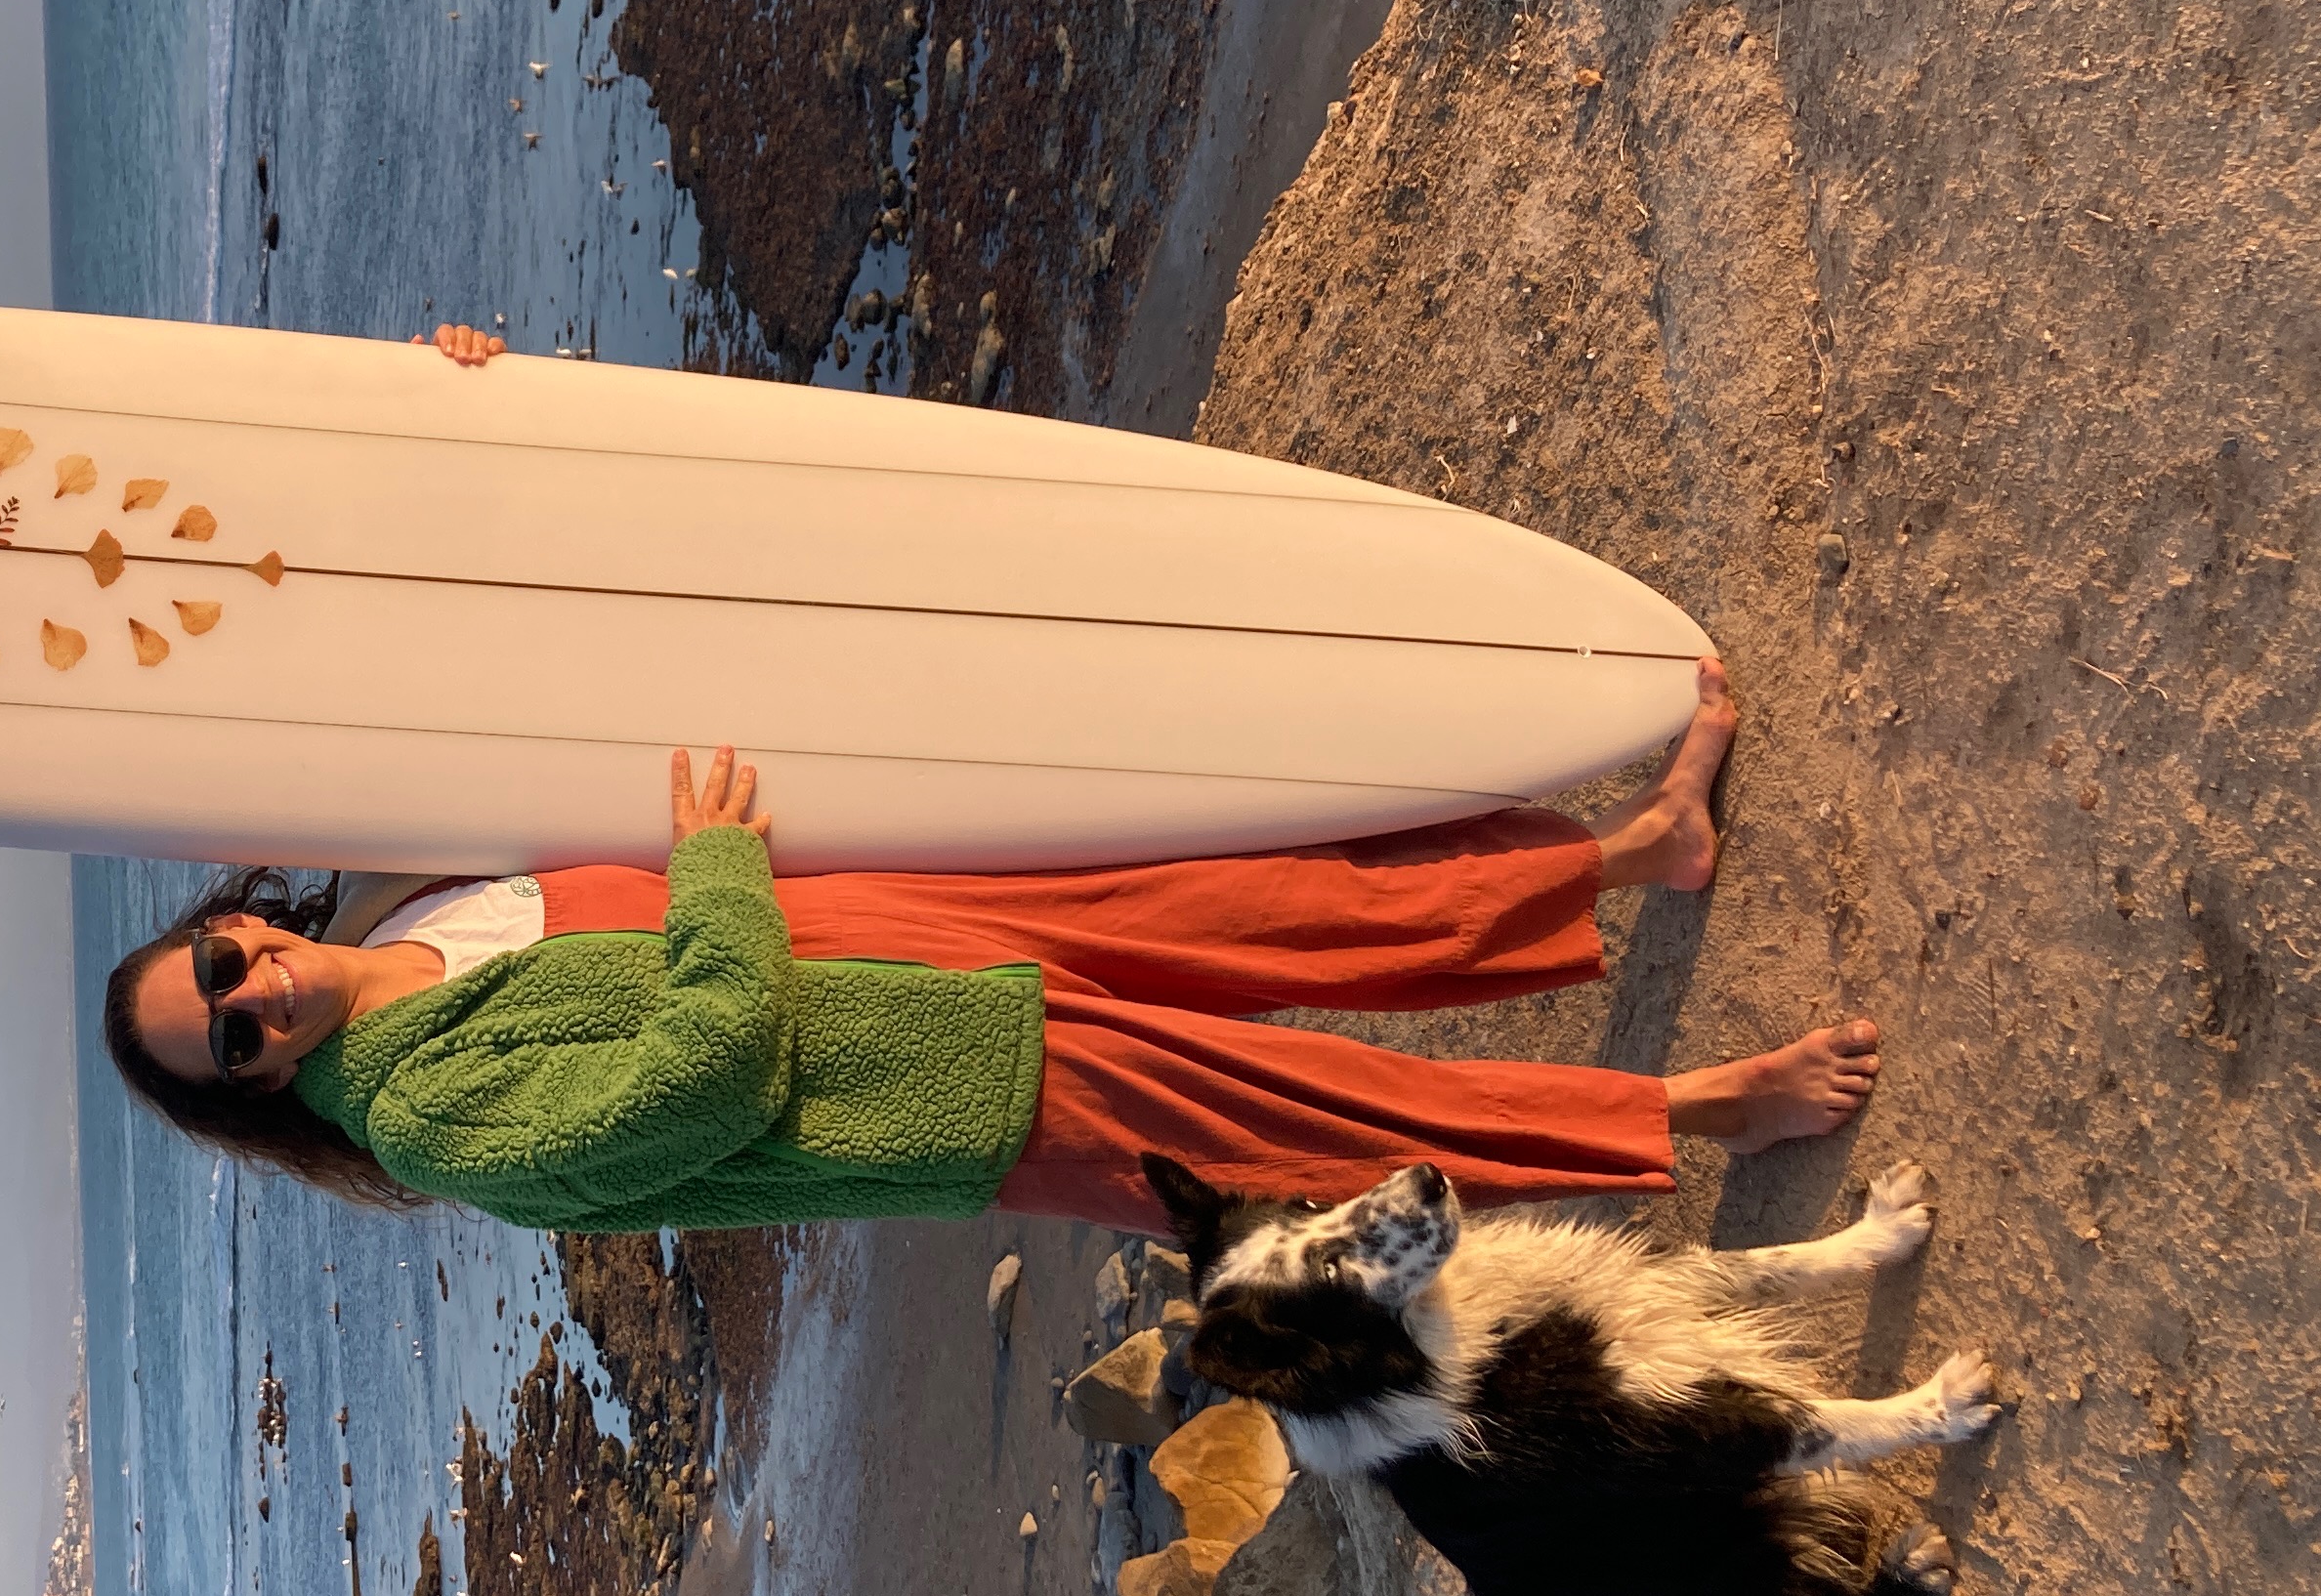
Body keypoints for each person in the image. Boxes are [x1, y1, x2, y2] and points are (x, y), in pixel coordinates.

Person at [98, 333, 1879, 1236]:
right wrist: (715, 876)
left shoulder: (403, 890)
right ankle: (1698, 1111)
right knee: (1310, 1125)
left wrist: (463, 415)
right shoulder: (429, 1124)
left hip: (912, 909)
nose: (256, 1000)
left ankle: (1631, 853)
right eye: (233, 1044)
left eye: (224, 967)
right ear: (265, 1092)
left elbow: (465, 636)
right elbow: (698, 1088)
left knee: (1274, 906)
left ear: (242, 918)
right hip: (944, 1090)